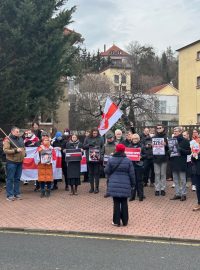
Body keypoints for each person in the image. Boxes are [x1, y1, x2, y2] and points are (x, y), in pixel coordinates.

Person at [105, 144, 135, 227]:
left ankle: (116, 221)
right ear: (124, 150)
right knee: (124, 202)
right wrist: (133, 184)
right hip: (125, 184)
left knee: (116, 203)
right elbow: (132, 174)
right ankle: (125, 221)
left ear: (116, 150)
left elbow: (106, 171)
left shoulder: (111, 160)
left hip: (114, 184)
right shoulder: (128, 160)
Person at [3, 127, 26, 201]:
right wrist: (15, 150)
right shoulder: (8, 139)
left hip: (20, 161)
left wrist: (24, 153)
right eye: (17, 132)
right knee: (10, 179)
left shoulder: (20, 139)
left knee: (17, 179)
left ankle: (17, 193)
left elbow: (23, 147)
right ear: (12, 132)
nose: (18, 133)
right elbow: (5, 150)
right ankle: (9, 195)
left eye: (18, 131)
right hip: (11, 162)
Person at [170, 127, 191, 201]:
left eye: (176, 131)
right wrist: (169, 151)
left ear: (180, 132)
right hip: (174, 162)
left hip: (181, 163)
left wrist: (181, 149)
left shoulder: (185, 141)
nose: (175, 132)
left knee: (182, 180)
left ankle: (183, 194)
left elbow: (189, 152)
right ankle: (177, 194)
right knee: (175, 180)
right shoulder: (172, 141)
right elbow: (169, 151)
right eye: (174, 131)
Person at [83, 128, 104, 194]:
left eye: (96, 133)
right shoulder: (87, 138)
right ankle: (91, 188)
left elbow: (103, 147)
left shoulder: (101, 138)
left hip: (97, 159)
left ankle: (97, 188)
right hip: (89, 158)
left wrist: (100, 155)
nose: (95, 134)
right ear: (91, 133)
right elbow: (83, 146)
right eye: (94, 133)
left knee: (96, 173)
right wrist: (88, 145)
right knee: (91, 173)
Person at [127, 133, 145, 201]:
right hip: (131, 165)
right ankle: (132, 196)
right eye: (134, 138)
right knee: (132, 181)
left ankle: (141, 195)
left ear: (138, 139)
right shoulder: (129, 146)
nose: (135, 140)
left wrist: (141, 157)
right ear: (132, 139)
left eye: (136, 138)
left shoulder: (142, 146)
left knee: (139, 181)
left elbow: (145, 155)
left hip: (139, 165)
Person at [153, 125, 168, 196]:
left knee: (163, 174)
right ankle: (157, 189)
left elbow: (169, 149)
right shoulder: (154, 137)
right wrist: (151, 146)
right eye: (157, 128)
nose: (158, 129)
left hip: (164, 158)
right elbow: (150, 148)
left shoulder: (166, 137)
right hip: (156, 158)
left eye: (160, 128)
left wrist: (166, 145)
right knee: (157, 174)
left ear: (163, 129)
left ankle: (162, 189)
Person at [104, 133, 116, 198]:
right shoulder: (105, 145)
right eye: (109, 138)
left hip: (115, 164)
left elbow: (119, 153)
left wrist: (114, 154)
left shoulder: (116, 145)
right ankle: (108, 191)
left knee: (115, 178)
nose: (110, 139)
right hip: (107, 164)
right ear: (107, 139)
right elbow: (102, 153)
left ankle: (115, 191)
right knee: (108, 178)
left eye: (111, 138)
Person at [190, 134, 200, 211]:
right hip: (197, 170)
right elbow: (193, 160)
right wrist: (194, 155)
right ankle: (199, 203)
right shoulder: (196, 145)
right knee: (198, 188)